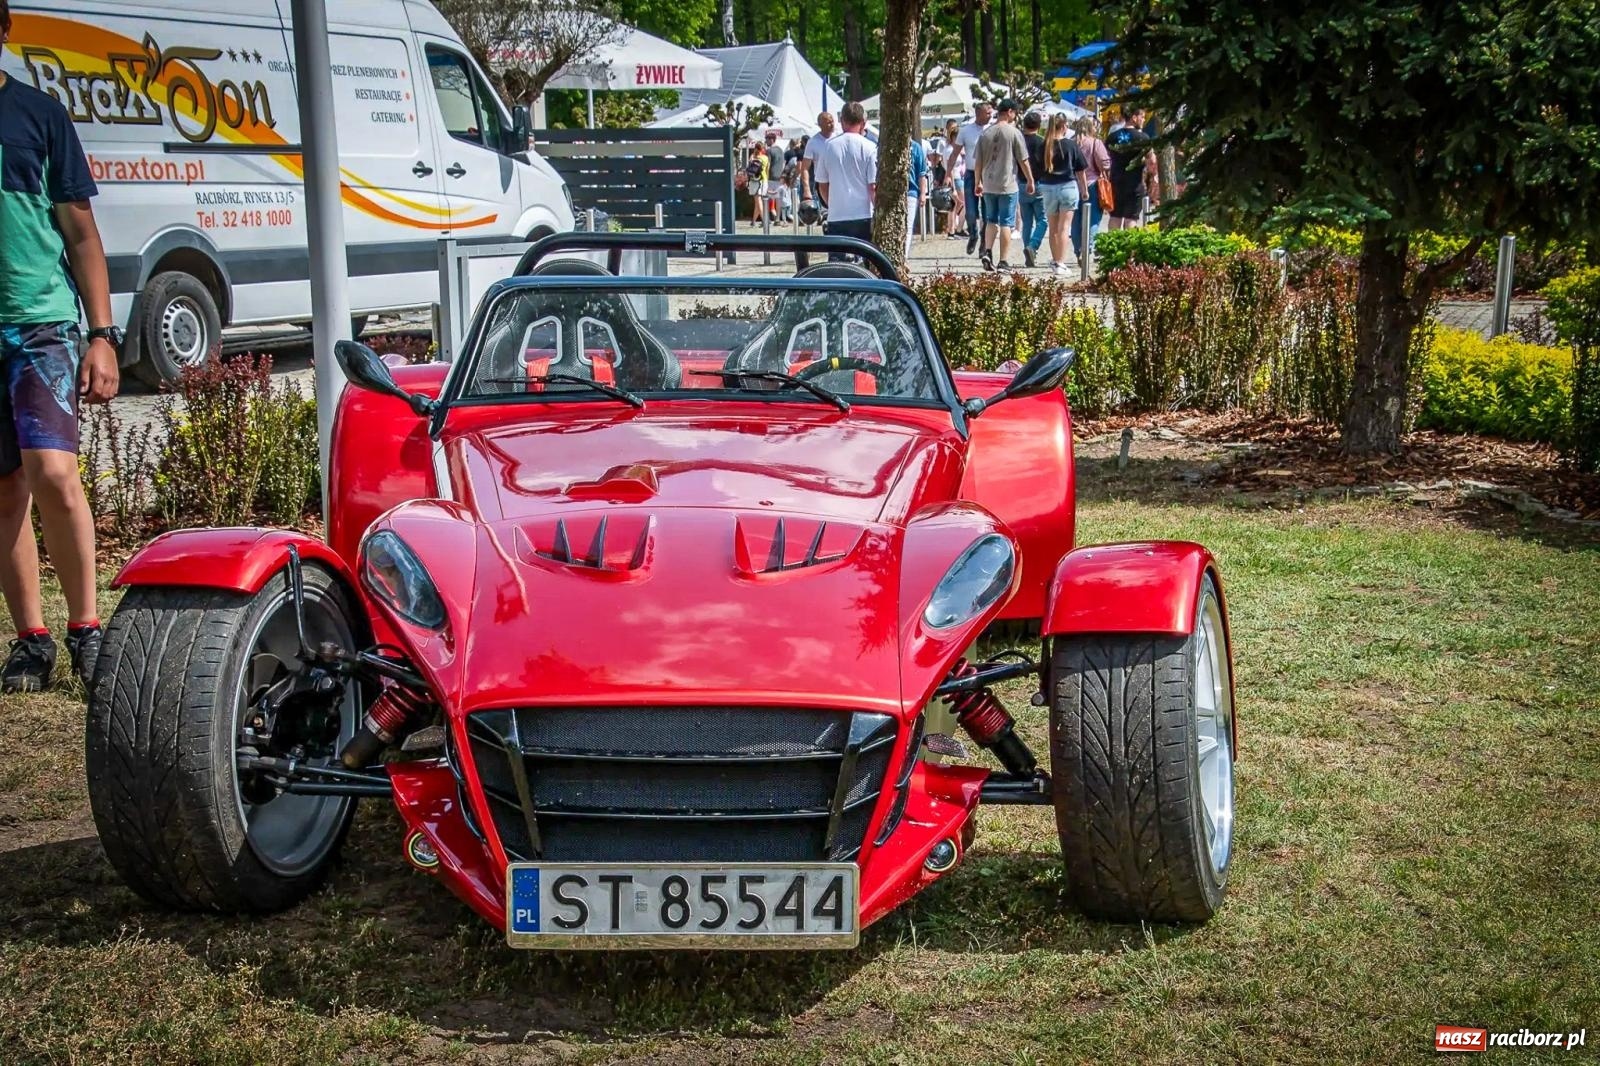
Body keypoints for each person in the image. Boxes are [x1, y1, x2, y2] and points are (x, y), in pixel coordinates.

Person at [0, 0, 122, 693]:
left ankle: (85, 626)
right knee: (3, 488)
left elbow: (80, 234)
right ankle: (30, 640)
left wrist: (101, 336)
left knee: (50, 471)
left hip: (40, 323)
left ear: (3, 28)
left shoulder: (40, 116)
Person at [972, 98, 1033, 272]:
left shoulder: (985, 134)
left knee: (990, 220)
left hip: (989, 184)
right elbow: (1023, 160)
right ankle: (1003, 261)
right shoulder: (1014, 133)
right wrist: (1030, 179)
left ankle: (988, 251)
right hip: (1008, 184)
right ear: (1010, 112)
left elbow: (978, 163)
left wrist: (978, 182)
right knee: (1006, 222)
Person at [813, 101, 877, 257]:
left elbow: (822, 184)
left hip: (837, 215)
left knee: (837, 266)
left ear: (842, 121)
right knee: (864, 265)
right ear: (863, 122)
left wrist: (832, 203)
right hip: (864, 214)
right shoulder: (870, 147)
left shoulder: (829, 146)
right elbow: (872, 187)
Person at [1039, 113, 1090, 275]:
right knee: (1064, 227)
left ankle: (1056, 261)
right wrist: (1084, 189)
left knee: (1053, 228)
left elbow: (1037, 168)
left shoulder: (1044, 145)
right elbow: (1080, 170)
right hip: (1068, 185)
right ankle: (1061, 262)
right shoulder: (1071, 145)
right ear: (1064, 126)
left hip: (1048, 187)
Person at [945, 101, 992, 254]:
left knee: (987, 212)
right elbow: (954, 154)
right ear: (978, 114)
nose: (991, 115)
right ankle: (973, 233)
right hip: (971, 174)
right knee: (970, 210)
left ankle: (984, 243)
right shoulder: (966, 131)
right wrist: (948, 174)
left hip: (988, 174)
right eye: (988, 113)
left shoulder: (992, 129)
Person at [1105, 108, 1155, 229]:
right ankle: (1129, 247)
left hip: (1116, 181)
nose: (1143, 120)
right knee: (1131, 219)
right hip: (1134, 183)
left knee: (1115, 216)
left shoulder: (1112, 137)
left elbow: (1106, 157)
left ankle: (1112, 245)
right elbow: (1152, 161)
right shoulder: (1143, 138)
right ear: (1134, 117)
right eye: (1142, 117)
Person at [1070, 116, 1111, 262]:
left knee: (1075, 220)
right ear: (1090, 127)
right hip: (1092, 184)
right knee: (1093, 219)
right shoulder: (1095, 143)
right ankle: (1087, 248)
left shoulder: (1070, 142)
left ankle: (1077, 249)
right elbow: (1105, 163)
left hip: (1073, 185)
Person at [1018, 112, 1048, 268]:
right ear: (1038, 125)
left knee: (1027, 221)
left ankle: (1027, 250)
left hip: (1021, 183)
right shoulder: (1042, 142)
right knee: (1043, 220)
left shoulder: (1019, 141)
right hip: (1038, 183)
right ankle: (1033, 246)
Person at [801, 111, 837, 204]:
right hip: (822, 182)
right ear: (821, 125)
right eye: (828, 122)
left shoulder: (838, 138)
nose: (832, 124)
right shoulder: (813, 142)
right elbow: (805, 168)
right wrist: (806, 189)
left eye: (832, 121)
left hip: (837, 180)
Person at [905, 136, 928, 259]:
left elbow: (922, 174)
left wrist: (923, 193)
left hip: (911, 192)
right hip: (901, 193)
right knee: (905, 229)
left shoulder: (916, 147)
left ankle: (904, 257)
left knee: (908, 228)